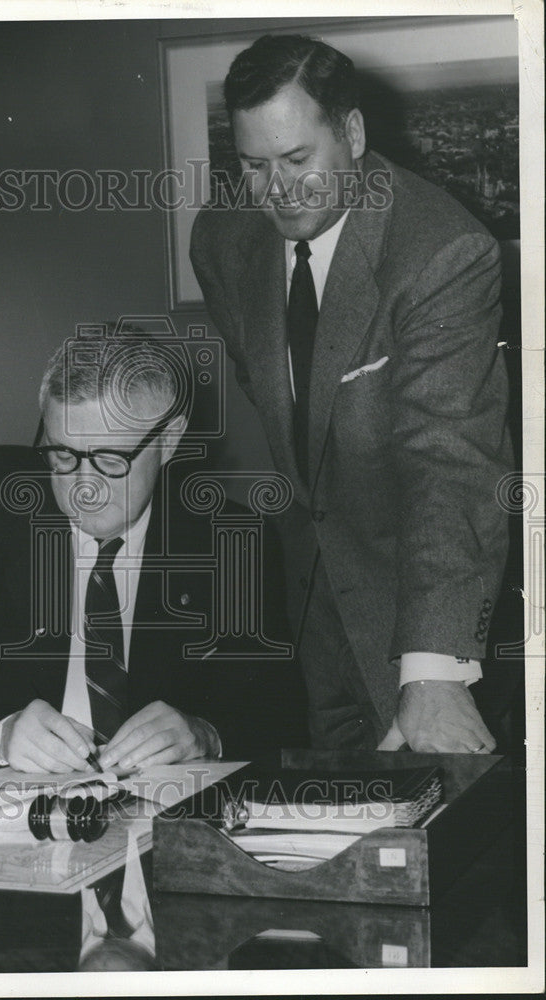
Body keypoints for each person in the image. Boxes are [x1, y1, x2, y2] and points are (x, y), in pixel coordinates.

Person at [190, 34, 511, 753]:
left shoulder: (440, 252)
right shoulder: (220, 241)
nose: (275, 190)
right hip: (310, 597)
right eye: (252, 165)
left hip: (426, 597)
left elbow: (449, 464)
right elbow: (281, 402)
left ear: (353, 134)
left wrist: (433, 673)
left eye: (298, 161)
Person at [0, 333, 306, 769]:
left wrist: (205, 733)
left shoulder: (230, 540)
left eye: (112, 460)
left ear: (170, 440)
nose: (83, 489)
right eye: (63, 455)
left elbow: (281, 719)